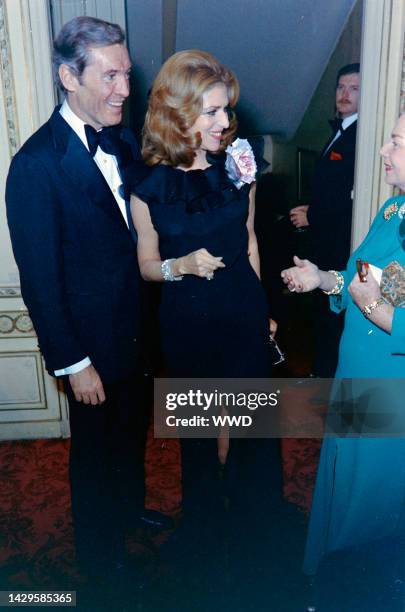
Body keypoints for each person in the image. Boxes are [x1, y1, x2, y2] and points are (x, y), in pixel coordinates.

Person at [5, 16, 147, 587]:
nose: (124, 90)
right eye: (110, 76)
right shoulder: (35, 166)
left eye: (127, 74)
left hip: (136, 333)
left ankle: (130, 510)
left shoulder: (124, 137)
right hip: (89, 348)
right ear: (69, 76)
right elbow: (41, 281)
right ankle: (100, 560)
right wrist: (73, 363)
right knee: (94, 454)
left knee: (133, 434)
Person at [128, 49, 280, 572]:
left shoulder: (240, 167)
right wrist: (181, 266)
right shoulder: (148, 187)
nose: (225, 123)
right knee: (200, 437)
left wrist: (263, 311)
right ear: (177, 114)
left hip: (242, 314)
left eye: (226, 111)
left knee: (249, 430)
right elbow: (146, 264)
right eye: (212, 112)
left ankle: (255, 531)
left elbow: (252, 242)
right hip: (188, 323)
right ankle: (206, 533)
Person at [281, 114, 405, 594]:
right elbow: (364, 279)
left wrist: (372, 303)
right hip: (356, 376)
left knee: (371, 507)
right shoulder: (393, 212)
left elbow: (377, 300)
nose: (382, 151)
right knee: (346, 484)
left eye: (394, 141)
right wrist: (322, 279)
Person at [290, 63, 360, 376]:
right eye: (341, 87)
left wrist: (312, 216)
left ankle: (324, 377)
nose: (344, 95)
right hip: (322, 237)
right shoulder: (340, 129)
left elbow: (348, 198)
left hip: (339, 240)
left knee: (332, 313)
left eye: (354, 89)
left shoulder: (360, 136)